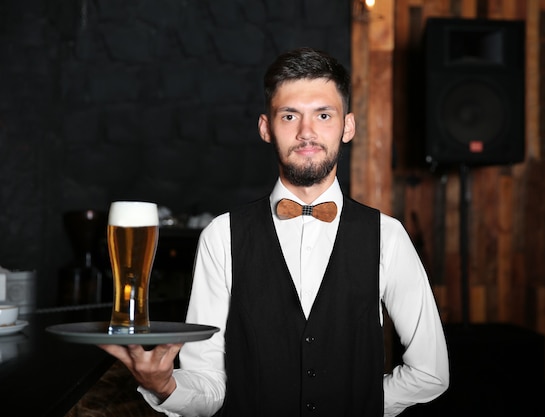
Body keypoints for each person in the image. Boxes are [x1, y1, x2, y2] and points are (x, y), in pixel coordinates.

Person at [99, 47, 449, 417]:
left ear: (347, 127)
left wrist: (362, 404)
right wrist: (164, 386)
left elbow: (430, 373)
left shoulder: (388, 237)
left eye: (324, 115)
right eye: (289, 116)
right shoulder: (221, 236)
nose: (306, 132)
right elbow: (210, 383)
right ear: (266, 127)